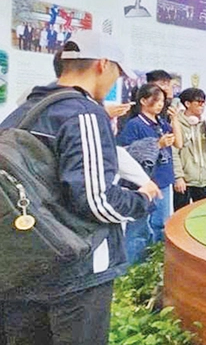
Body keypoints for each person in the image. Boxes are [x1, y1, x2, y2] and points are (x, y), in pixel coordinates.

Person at [0, 31, 159, 344]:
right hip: (76, 270)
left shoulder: (23, 110)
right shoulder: (84, 112)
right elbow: (95, 199)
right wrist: (142, 199)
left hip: (20, 264)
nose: (114, 82)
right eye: (117, 73)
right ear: (102, 64)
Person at [117, 83, 177, 261]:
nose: (160, 105)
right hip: (143, 183)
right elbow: (126, 153)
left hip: (163, 179)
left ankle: (156, 262)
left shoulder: (161, 122)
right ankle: (134, 266)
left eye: (162, 101)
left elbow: (179, 143)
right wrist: (157, 144)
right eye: (156, 100)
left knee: (161, 225)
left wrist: (175, 121)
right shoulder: (134, 124)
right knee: (139, 228)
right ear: (143, 101)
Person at [172, 88, 206, 211]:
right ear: (187, 104)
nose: (202, 105)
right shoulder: (176, 124)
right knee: (181, 216)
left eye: (204, 102)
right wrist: (178, 177)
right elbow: (174, 153)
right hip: (184, 182)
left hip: (204, 180)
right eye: (199, 102)